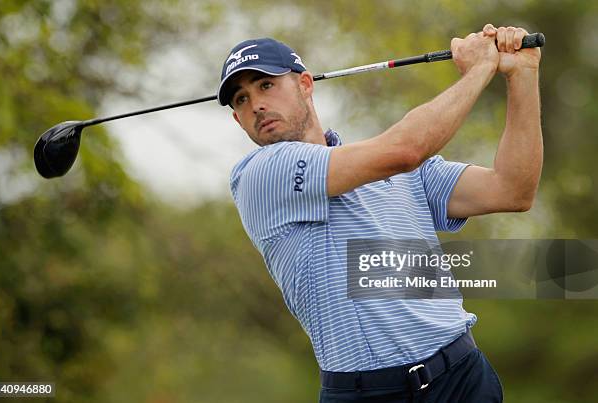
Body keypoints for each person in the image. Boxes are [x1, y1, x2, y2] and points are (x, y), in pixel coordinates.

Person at [217, 23, 542, 402]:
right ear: (238, 121)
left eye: (266, 85)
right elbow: (403, 151)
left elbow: (513, 189)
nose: (255, 104)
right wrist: (481, 69)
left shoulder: (401, 172)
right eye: (240, 99)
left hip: (462, 378)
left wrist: (523, 75)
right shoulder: (260, 175)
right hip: (369, 393)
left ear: (305, 84)